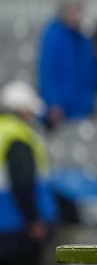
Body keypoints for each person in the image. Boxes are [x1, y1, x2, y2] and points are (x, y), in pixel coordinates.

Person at [0, 81, 56, 265]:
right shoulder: (18, 136)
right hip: (15, 227)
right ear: (22, 111)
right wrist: (33, 220)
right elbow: (23, 181)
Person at [37, 0, 95, 126]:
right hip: (60, 110)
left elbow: (88, 72)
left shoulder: (83, 37)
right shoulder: (54, 35)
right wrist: (53, 103)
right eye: (75, 11)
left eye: (80, 11)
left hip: (81, 108)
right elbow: (48, 71)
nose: (79, 15)